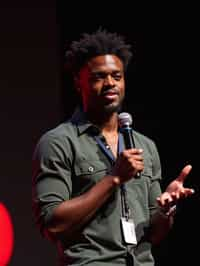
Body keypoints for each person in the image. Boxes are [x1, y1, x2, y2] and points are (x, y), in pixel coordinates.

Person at [32, 29, 194, 266]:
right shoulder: (58, 142)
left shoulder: (145, 146)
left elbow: (154, 234)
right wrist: (114, 178)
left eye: (116, 76)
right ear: (78, 82)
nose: (110, 83)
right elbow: (52, 224)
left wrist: (166, 210)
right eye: (99, 77)